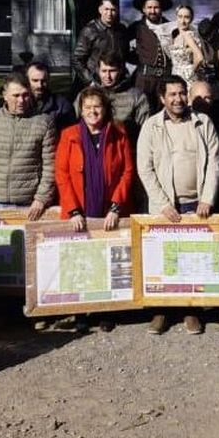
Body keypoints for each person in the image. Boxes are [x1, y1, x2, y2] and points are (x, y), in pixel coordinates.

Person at [136, 76, 219, 335]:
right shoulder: (151, 126)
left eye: (182, 93)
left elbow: (215, 162)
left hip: (196, 204)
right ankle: (161, 311)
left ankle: (190, 310)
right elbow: (145, 168)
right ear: (162, 98)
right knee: (162, 261)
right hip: (165, 206)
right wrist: (162, 204)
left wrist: (207, 198)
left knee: (191, 259)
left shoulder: (202, 122)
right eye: (172, 94)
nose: (178, 99)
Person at [53, 87, 133, 334]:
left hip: (109, 208)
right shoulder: (69, 135)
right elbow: (62, 175)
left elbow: (127, 172)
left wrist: (116, 207)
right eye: (87, 107)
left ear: (105, 108)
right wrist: (73, 210)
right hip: (81, 208)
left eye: (97, 106)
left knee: (107, 259)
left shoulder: (119, 133)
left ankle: (106, 310)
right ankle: (81, 311)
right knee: (80, 260)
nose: (92, 112)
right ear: (81, 110)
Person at [0, 73, 56, 222]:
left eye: (25, 95)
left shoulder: (44, 123)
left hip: (31, 204)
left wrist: (41, 198)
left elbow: (51, 165)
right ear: (5, 95)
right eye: (16, 95)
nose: (21, 101)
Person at [73, 0, 130, 85]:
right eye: (106, 9)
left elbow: (125, 55)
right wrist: (89, 80)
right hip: (97, 82)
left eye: (113, 10)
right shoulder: (90, 30)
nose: (109, 13)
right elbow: (77, 59)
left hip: (119, 81)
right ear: (100, 10)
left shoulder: (121, 30)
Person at [92, 50, 151, 138]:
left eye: (112, 71)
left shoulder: (136, 97)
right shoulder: (88, 95)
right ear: (98, 71)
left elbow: (146, 130)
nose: (108, 76)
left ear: (120, 71)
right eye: (104, 71)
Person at [128, 0, 174, 100]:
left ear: (161, 9)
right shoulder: (137, 27)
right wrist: (139, 59)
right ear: (143, 9)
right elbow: (123, 48)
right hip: (144, 80)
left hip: (165, 79)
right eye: (149, 7)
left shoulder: (171, 27)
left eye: (156, 7)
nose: (152, 11)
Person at [165, 4, 207, 87]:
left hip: (186, 77)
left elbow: (199, 57)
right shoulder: (176, 35)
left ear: (191, 19)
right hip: (175, 74)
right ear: (176, 17)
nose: (183, 21)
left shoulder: (188, 35)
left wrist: (190, 73)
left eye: (186, 17)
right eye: (180, 16)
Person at [26, 61, 76, 131]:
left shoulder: (62, 105)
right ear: (27, 81)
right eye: (35, 80)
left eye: (43, 81)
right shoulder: (21, 104)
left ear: (49, 80)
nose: (39, 85)